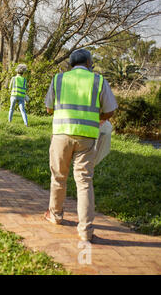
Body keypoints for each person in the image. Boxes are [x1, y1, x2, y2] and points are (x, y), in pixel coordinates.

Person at [44, 49, 118, 242]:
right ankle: (85, 230)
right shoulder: (98, 81)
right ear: (88, 62)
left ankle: (55, 215)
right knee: (84, 182)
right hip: (86, 138)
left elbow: (49, 107)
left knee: (58, 177)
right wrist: (97, 118)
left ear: (70, 63)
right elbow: (110, 110)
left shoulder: (58, 79)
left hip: (61, 134)